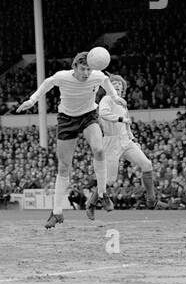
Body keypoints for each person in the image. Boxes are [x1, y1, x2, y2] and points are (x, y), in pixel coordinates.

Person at [17, 52, 123, 228]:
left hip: (89, 116)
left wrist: (115, 97)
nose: (86, 73)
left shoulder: (97, 75)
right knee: (64, 166)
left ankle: (103, 194)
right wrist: (32, 100)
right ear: (75, 67)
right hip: (66, 119)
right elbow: (48, 83)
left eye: (89, 69)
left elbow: (105, 81)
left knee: (99, 149)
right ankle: (57, 212)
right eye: (83, 69)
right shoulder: (63, 76)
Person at [86, 74, 156, 218]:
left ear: (123, 88)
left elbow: (127, 124)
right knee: (110, 180)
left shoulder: (122, 103)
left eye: (120, 84)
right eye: (114, 83)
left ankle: (151, 198)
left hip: (125, 141)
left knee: (147, 164)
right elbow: (104, 114)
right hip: (111, 143)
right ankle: (91, 203)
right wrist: (121, 118)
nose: (117, 85)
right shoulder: (106, 99)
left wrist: (133, 139)